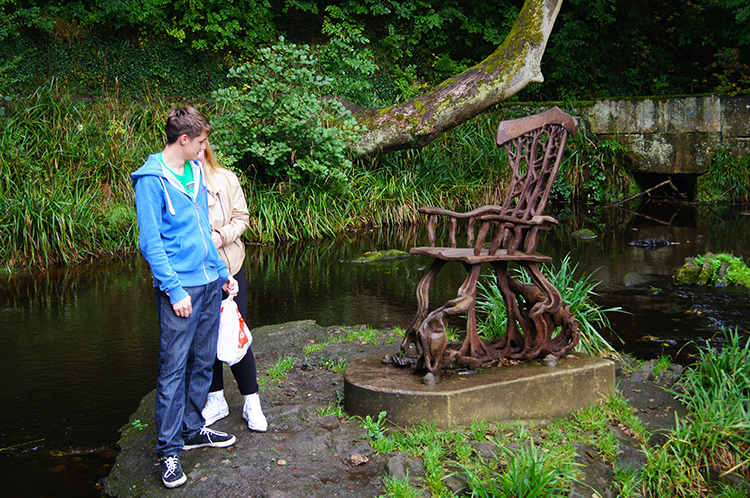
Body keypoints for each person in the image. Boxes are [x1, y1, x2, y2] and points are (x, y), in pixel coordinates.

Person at [132, 106, 239, 489]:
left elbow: (200, 229)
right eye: (201, 141)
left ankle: (193, 429)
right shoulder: (151, 180)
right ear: (184, 140)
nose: (204, 148)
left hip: (210, 281)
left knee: (204, 360)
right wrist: (174, 289)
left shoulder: (194, 172)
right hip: (181, 289)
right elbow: (151, 242)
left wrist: (223, 273)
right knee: (173, 368)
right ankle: (168, 451)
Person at [199, 141, 268, 432]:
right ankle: (216, 399)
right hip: (197, 274)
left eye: (203, 144)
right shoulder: (175, 183)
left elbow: (242, 219)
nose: (198, 150)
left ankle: (251, 402)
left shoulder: (226, 178)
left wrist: (220, 236)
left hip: (230, 267)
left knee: (235, 334)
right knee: (205, 338)